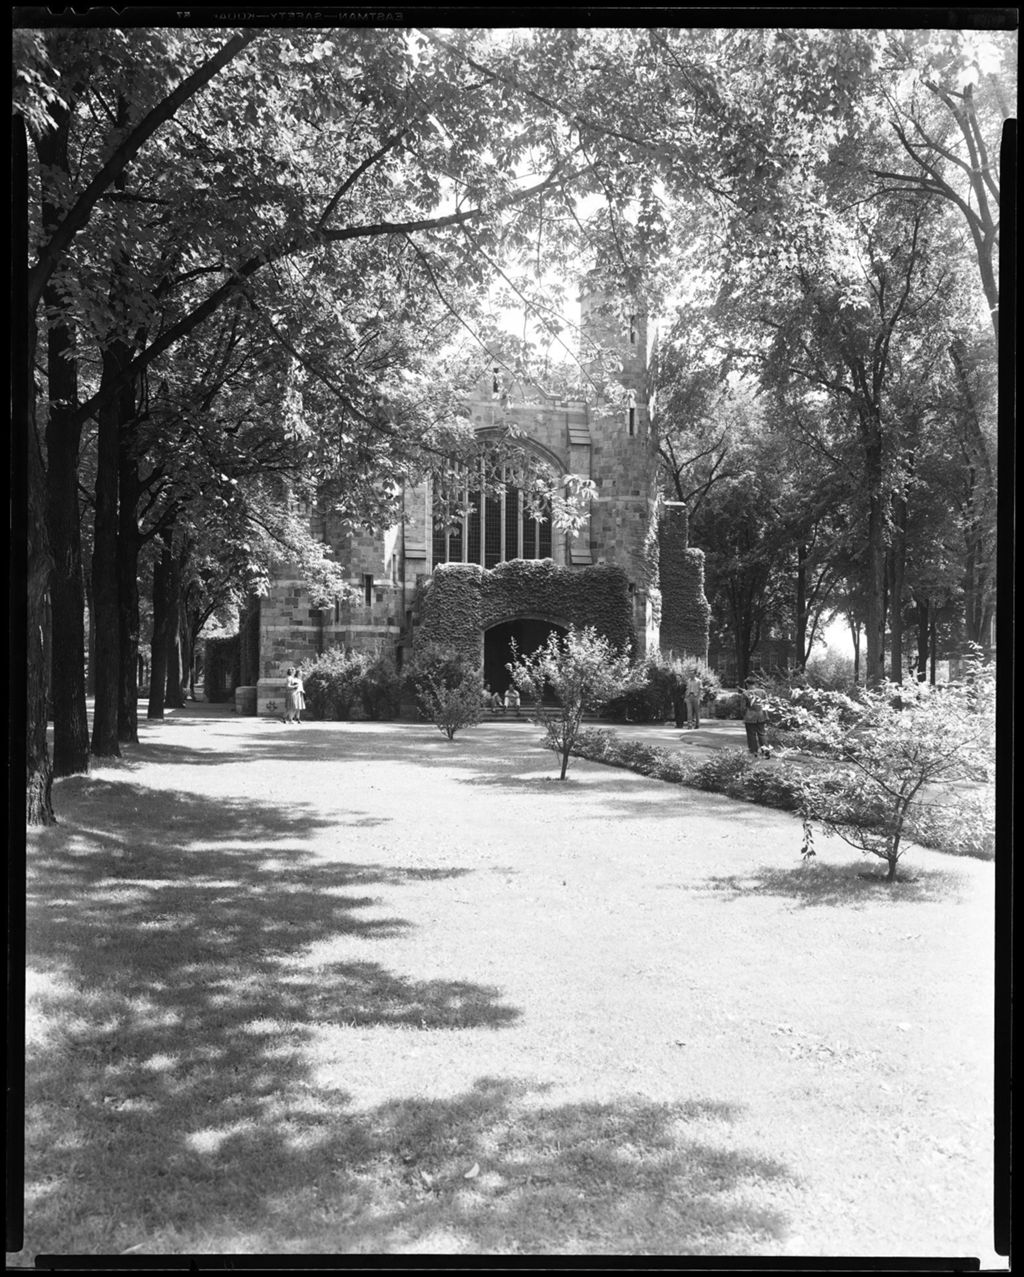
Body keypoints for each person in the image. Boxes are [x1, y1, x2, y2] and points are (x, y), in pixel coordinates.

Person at [738, 679, 768, 755]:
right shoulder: (762, 692)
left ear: (747, 684)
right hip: (761, 715)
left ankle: (753, 751)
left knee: (751, 734)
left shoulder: (745, 693)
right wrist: (766, 715)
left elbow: (743, 707)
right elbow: (766, 704)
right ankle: (766, 750)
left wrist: (743, 715)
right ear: (755, 683)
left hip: (750, 715)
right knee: (762, 733)